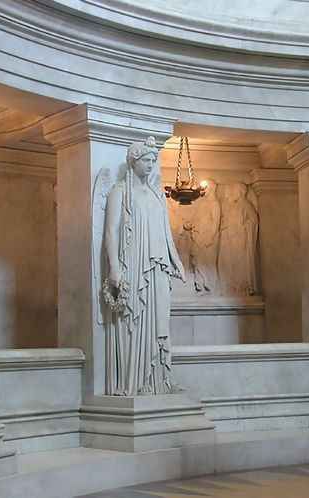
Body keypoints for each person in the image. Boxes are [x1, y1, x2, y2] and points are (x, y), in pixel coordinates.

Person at [103, 137, 185, 396]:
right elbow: (111, 232)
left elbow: (166, 232)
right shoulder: (120, 192)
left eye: (153, 161)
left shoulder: (156, 194)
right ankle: (137, 382)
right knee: (136, 321)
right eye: (146, 160)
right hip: (135, 265)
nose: (151, 165)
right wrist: (114, 268)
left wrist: (176, 261)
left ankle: (158, 379)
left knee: (160, 318)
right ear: (134, 161)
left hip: (158, 266)